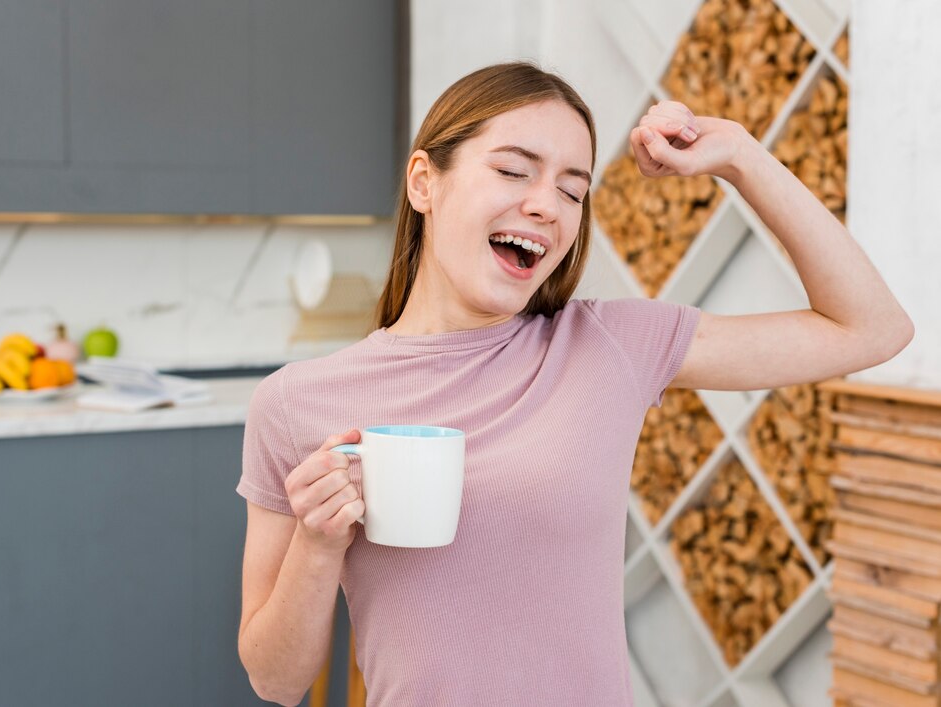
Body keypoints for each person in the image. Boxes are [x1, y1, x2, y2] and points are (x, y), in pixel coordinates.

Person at [235, 62, 913, 706]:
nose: (545, 206)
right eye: (512, 170)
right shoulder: (295, 401)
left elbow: (871, 329)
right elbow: (275, 678)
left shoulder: (609, 346)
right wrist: (317, 544)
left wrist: (740, 156)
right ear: (424, 182)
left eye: (571, 190)